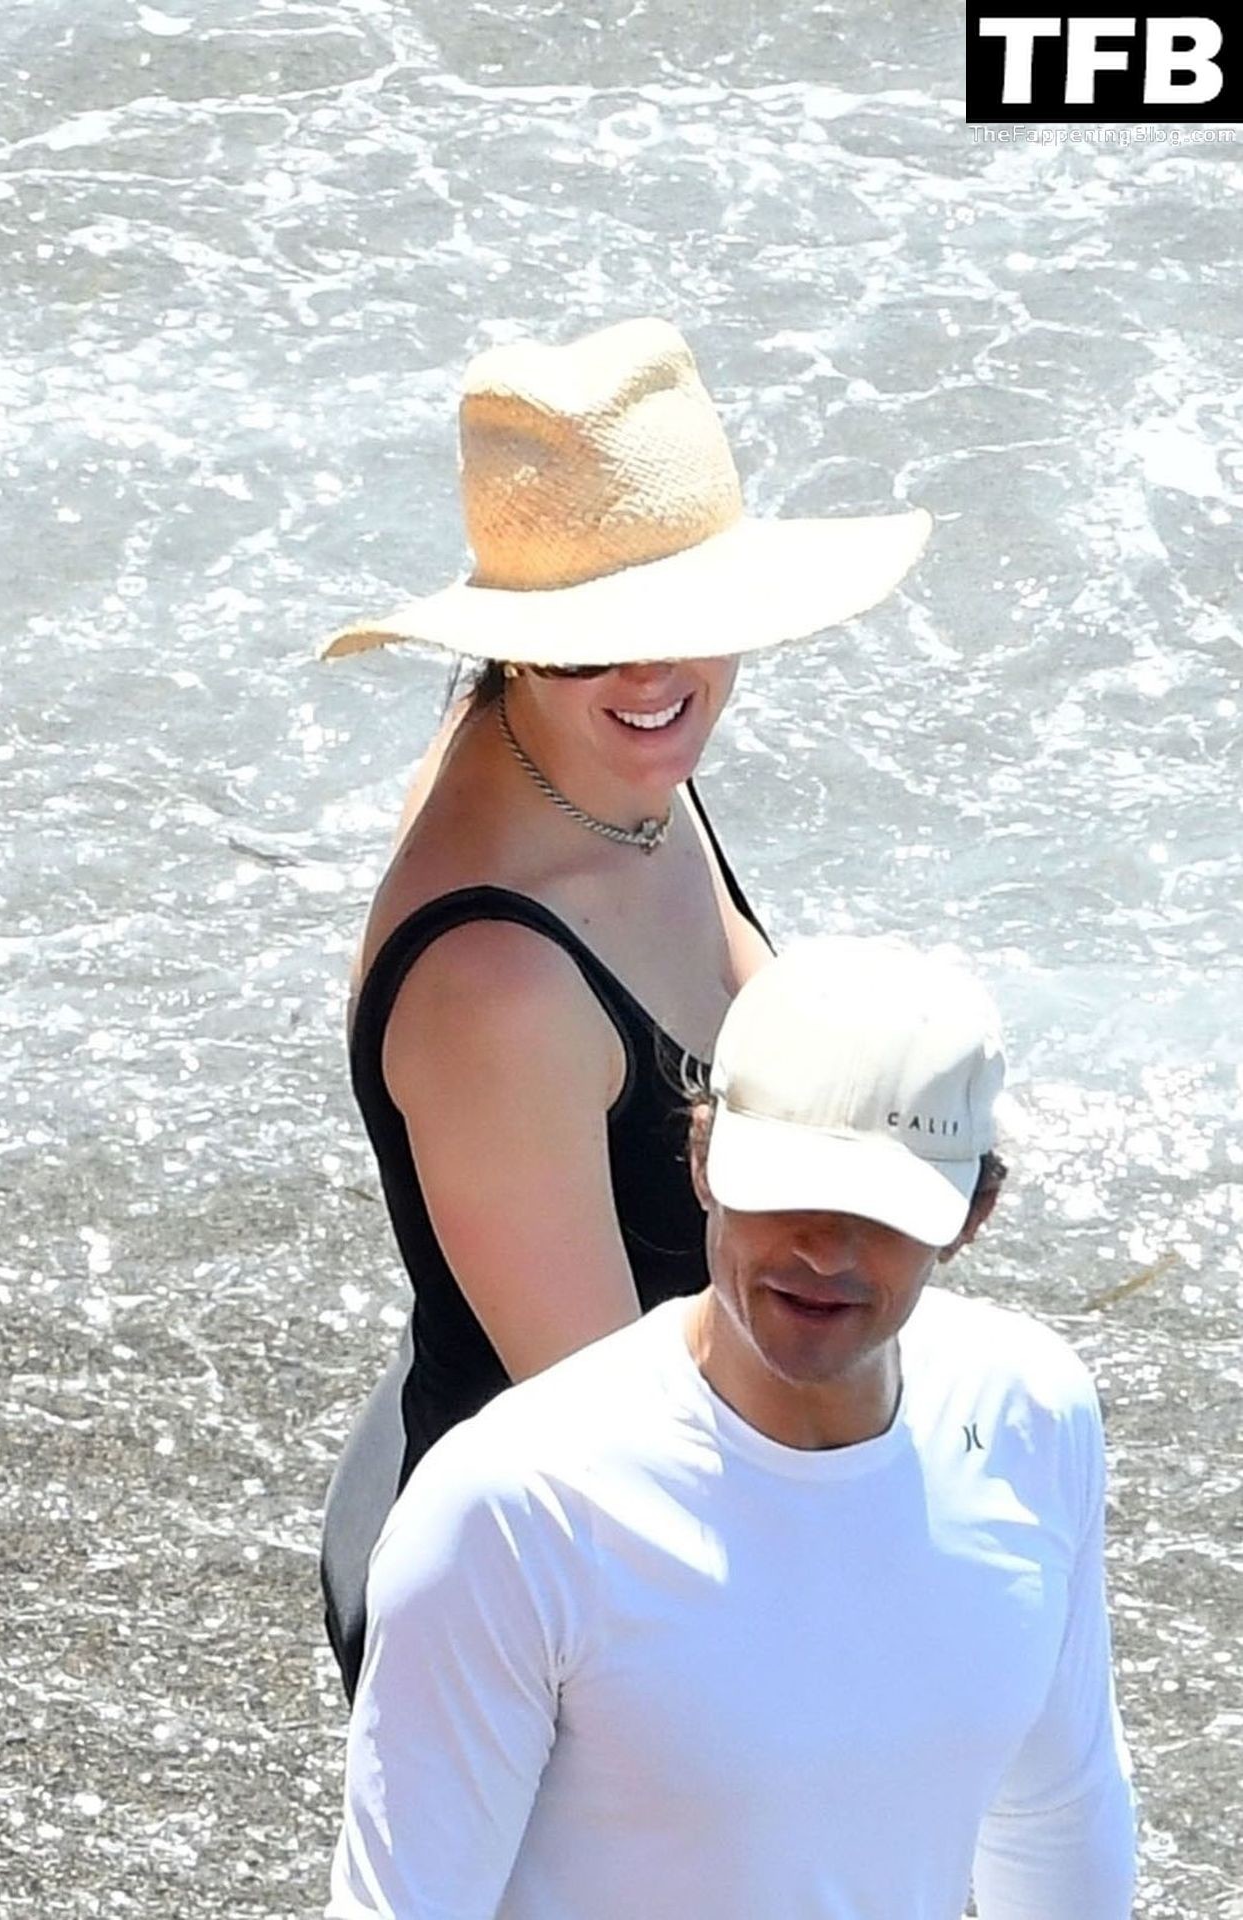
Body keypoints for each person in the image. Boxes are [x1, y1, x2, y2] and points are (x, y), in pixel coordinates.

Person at [316, 317, 934, 1698]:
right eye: (590, 642)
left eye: (680, 614)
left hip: (647, 1494)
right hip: (546, 1596)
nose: (648, 675)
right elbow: (607, 1439)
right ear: (517, 647)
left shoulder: (599, 762)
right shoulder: (496, 986)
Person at [326, 935, 1137, 1920]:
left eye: (882, 1211)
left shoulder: (1029, 1413)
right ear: (702, 1158)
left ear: (974, 1212)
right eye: (787, 1190)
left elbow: (1056, 1815)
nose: (825, 1251)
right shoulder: (515, 1507)